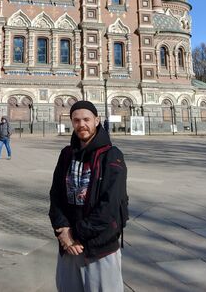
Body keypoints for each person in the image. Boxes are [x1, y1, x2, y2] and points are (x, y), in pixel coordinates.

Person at [49, 100, 128, 292]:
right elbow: (56, 196)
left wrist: (74, 235)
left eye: (86, 119)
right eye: (76, 120)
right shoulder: (66, 154)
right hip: (69, 247)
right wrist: (62, 231)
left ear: (97, 121)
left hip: (99, 248)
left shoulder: (112, 155)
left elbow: (110, 205)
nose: (81, 124)